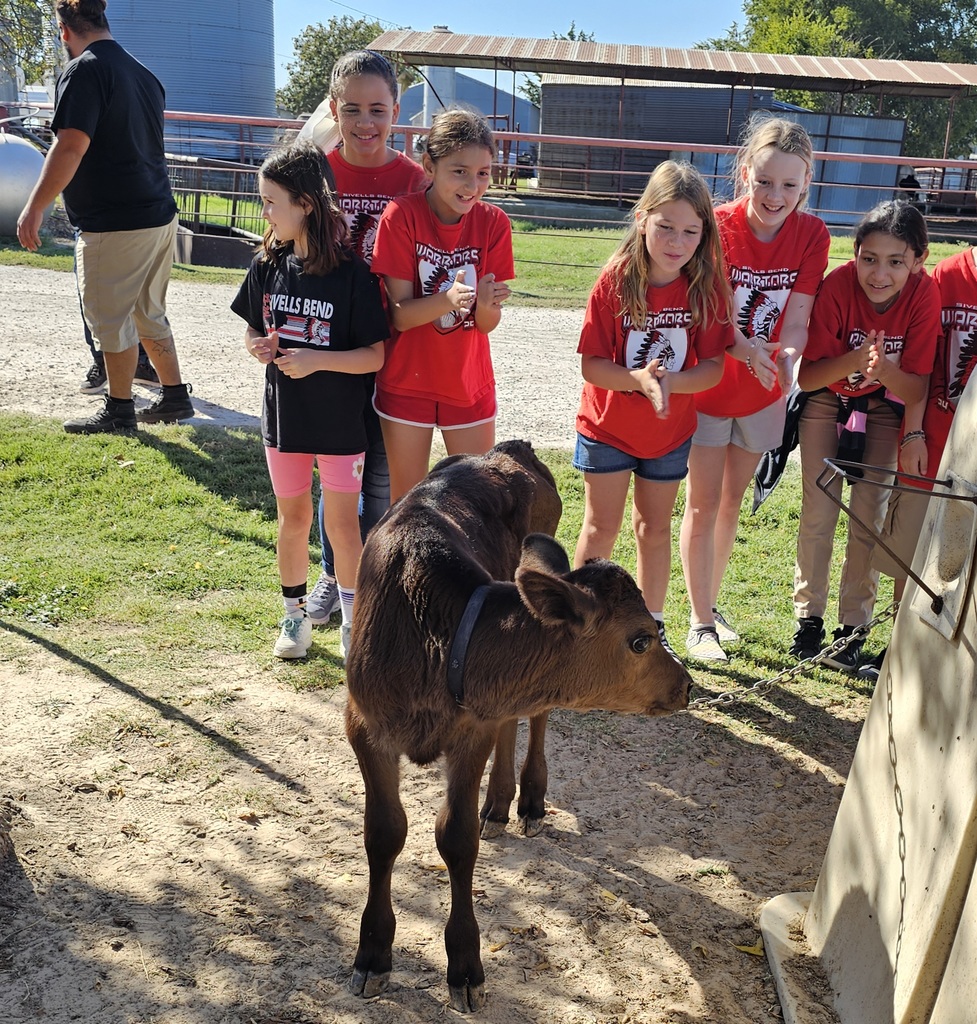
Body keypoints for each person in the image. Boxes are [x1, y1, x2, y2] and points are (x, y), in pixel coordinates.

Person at [230, 142, 388, 660]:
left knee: (344, 527)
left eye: (272, 202)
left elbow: (374, 356)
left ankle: (352, 622)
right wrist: (257, 345)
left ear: (306, 204)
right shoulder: (267, 265)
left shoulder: (353, 275)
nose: (265, 213)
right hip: (285, 421)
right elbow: (256, 328)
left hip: (341, 426)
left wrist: (319, 361)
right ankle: (294, 618)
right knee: (292, 520)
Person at [679, 116, 829, 659]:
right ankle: (699, 625)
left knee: (731, 502)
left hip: (764, 390)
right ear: (745, 173)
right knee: (703, 500)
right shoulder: (715, 227)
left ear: (807, 183)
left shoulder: (812, 235)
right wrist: (747, 350)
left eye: (789, 184)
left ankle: (710, 604)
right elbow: (705, 314)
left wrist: (786, 357)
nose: (776, 195)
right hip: (711, 384)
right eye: (765, 181)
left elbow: (799, 316)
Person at [572, 161, 732, 661]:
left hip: (668, 435)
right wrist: (638, 381)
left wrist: (670, 384)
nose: (676, 241)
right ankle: (578, 629)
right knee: (601, 526)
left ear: (703, 233)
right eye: (665, 226)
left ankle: (651, 630)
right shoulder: (615, 281)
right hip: (608, 429)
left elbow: (712, 367)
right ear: (642, 219)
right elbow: (593, 366)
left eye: (689, 230)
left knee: (654, 527)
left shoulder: (706, 286)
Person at [16, 0, 192, 433]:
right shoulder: (144, 73)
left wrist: (36, 205)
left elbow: (70, 145)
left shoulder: (83, 70)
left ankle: (119, 409)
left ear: (63, 30)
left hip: (115, 222)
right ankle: (174, 397)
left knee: (109, 320)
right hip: (158, 212)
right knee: (149, 312)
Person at [304, 50, 428, 628]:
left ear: (396, 111)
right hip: (330, 350)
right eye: (351, 108)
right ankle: (334, 573)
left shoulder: (414, 181)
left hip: (393, 351)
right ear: (334, 109)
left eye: (377, 108)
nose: (365, 121)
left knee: (378, 473)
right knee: (337, 474)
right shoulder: (315, 173)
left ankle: (373, 579)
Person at [790, 201, 941, 672]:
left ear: (918, 260)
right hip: (827, 400)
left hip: (883, 407)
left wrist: (883, 369)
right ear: (853, 252)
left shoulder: (923, 295)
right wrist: (854, 362)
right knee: (819, 508)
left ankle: (851, 628)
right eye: (869, 259)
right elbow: (809, 378)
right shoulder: (837, 287)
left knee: (868, 516)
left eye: (896, 262)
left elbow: (916, 385)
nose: (879, 273)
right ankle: (808, 621)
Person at [370, 107, 513, 502]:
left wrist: (486, 305)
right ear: (429, 165)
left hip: (468, 384)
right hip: (406, 381)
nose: (473, 184)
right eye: (460, 170)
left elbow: (485, 325)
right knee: (407, 503)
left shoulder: (494, 223)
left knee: (477, 501)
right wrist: (448, 298)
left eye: (483, 173)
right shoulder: (401, 215)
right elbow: (399, 315)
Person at [860, 239, 977, 679]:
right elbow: (920, 361)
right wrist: (913, 434)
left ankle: (954, 664)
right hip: (935, 435)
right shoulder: (946, 277)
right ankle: (900, 645)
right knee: (911, 547)